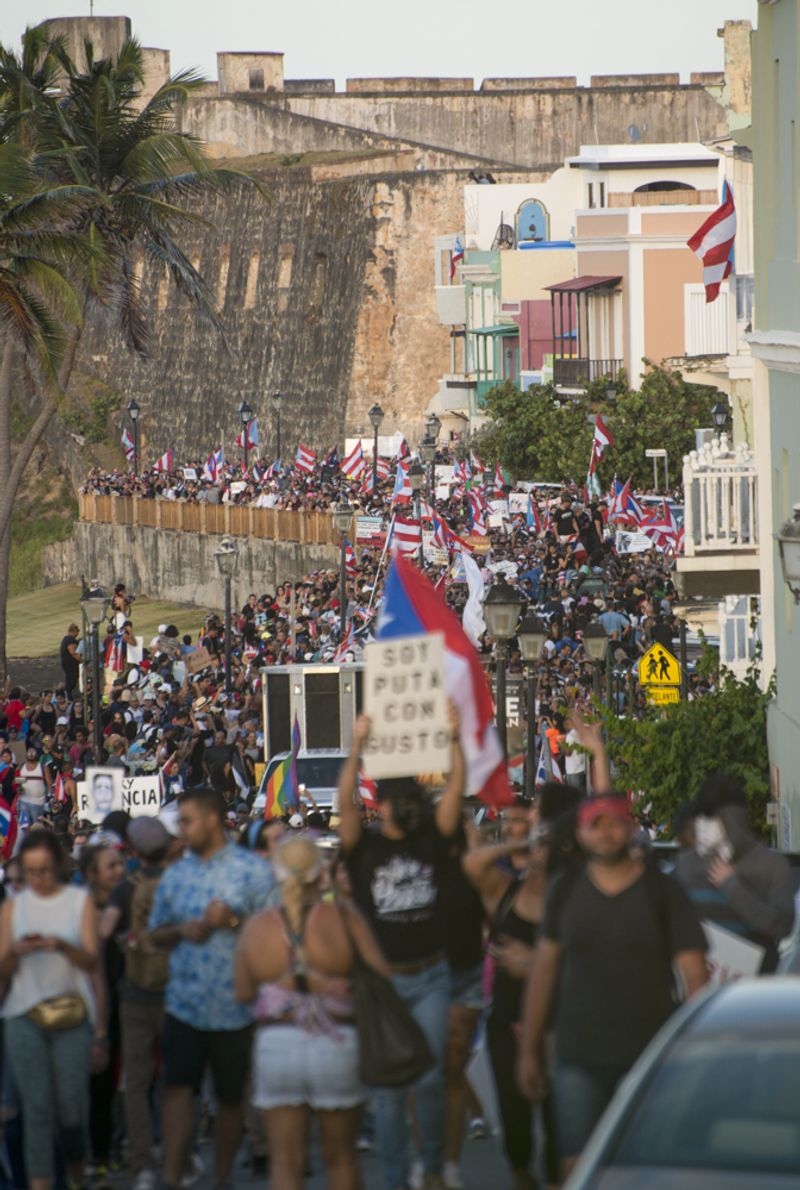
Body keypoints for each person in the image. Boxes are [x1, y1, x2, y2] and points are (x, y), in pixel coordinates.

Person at [517, 794, 708, 1179]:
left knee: (647, 1168)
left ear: (631, 827)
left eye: (614, 822)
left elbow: (695, 978)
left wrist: (697, 1056)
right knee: (578, 1167)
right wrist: (529, 1050)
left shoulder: (663, 893)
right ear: (581, 834)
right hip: (578, 1058)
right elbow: (544, 972)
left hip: (651, 1058)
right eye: (595, 824)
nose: (606, 832)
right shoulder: (564, 890)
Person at [337, 705, 466, 1190]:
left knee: (430, 1077)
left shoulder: (432, 839)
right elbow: (345, 806)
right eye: (397, 800)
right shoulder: (365, 849)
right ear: (380, 805)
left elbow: (454, 790)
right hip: (385, 983)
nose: (405, 806)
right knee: (388, 1092)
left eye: (411, 797)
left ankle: (430, 1167)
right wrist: (356, 747)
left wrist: (453, 738)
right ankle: (394, 1179)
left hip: (431, 974)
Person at [235, 834, 389, 1190]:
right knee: (341, 1158)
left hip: (277, 1043)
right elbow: (382, 974)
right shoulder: (343, 919)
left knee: (285, 1163)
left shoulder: (257, 928)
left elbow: (242, 991)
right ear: (321, 874)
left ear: (276, 874)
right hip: (336, 1040)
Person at [149, 786, 272, 1190]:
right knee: (177, 1089)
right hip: (184, 1002)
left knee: (230, 1098)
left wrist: (234, 922)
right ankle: (172, 1174)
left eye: (186, 820)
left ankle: (222, 1176)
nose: (181, 830)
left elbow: (276, 935)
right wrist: (182, 929)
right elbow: (155, 933)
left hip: (235, 1005)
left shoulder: (252, 870)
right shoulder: (176, 873)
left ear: (212, 819)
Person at [464, 784, 581, 1190]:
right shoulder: (509, 894)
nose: (534, 855)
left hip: (560, 1026)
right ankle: (520, 1176)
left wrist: (531, 964)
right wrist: (521, 841)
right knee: (515, 1130)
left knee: (556, 1126)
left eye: (543, 845)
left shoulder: (573, 899)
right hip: (506, 1025)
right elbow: (473, 866)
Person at [0, 831, 103, 1190]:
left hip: (72, 1014)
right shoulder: (14, 908)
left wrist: (61, 945)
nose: (38, 879)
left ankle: (77, 1174)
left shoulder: (79, 902)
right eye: (31, 872)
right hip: (23, 1014)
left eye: (44, 870)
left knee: (71, 1109)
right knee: (38, 1109)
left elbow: (92, 961)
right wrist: (14, 952)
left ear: (57, 866)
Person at [100, 816, 173, 1190]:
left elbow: (102, 932)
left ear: (133, 850)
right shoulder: (178, 884)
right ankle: (178, 1156)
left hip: (134, 993)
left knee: (136, 1079)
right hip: (175, 993)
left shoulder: (124, 890)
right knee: (175, 1080)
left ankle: (141, 1160)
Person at [675, 773, 795, 973]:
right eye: (703, 819)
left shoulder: (771, 866)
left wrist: (732, 886)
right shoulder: (687, 865)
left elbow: (782, 926)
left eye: (716, 819)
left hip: (755, 991)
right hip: (700, 989)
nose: (707, 828)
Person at [17, 748, 51, 823]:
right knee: (23, 826)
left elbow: (49, 783)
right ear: (26, 755)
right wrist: (19, 788)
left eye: (33, 752)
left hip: (38, 802)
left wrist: (49, 797)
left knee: (37, 826)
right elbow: (17, 782)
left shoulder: (43, 767)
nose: (31, 754)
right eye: (29, 752)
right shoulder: (22, 766)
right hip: (23, 801)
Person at [60, 624, 83, 699]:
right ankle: (69, 697)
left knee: (70, 681)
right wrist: (82, 660)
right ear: (75, 631)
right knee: (71, 682)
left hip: (67, 664)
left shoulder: (65, 638)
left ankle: (69, 695)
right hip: (70, 665)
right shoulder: (71, 640)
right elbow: (73, 652)